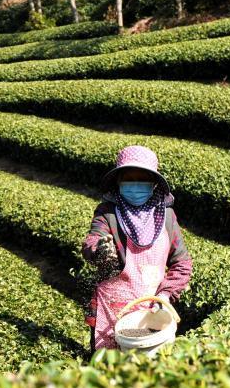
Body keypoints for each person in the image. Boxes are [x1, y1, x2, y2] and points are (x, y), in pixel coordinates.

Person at [82, 145, 193, 353]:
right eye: (128, 179)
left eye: (142, 179)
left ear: (153, 184)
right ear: (118, 181)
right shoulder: (108, 213)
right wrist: (100, 250)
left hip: (151, 309)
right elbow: (93, 240)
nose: (135, 185)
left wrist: (166, 295)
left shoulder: (166, 216)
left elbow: (182, 262)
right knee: (108, 372)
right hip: (111, 307)